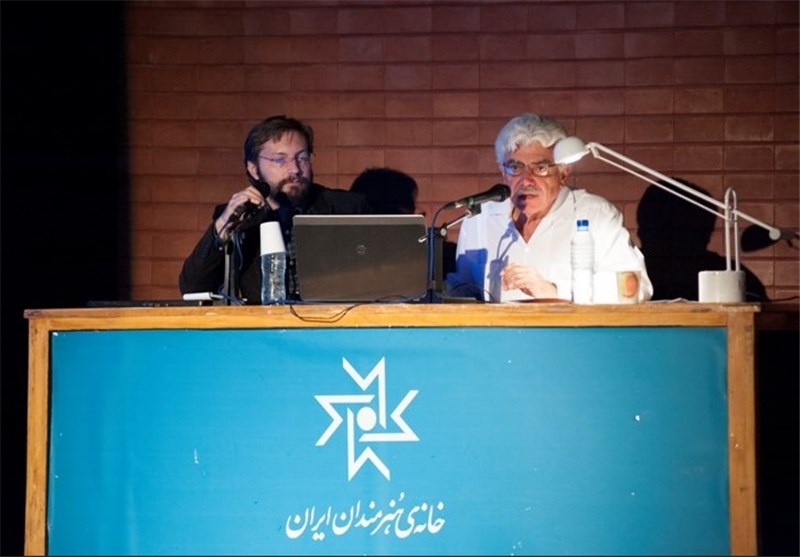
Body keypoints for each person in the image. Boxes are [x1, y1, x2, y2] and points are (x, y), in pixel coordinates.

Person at [445, 113, 653, 303]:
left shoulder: (596, 214)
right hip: (497, 332)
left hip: (570, 332)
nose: (526, 180)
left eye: (541, 168)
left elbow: (635, 287)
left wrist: (553, 290)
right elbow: (463, 289)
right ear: (502, 171)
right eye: (515, 167)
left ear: (564, 172)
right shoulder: (478, 217)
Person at [179, 115, 371, 303]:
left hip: (335, 321)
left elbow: (377, 280)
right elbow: (193, 287)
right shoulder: (242, 219)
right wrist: (222, 227)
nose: (295, 169)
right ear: (254, 169)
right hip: (265, 322)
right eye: (280, 160)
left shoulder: (348, 208)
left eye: (302, 158)